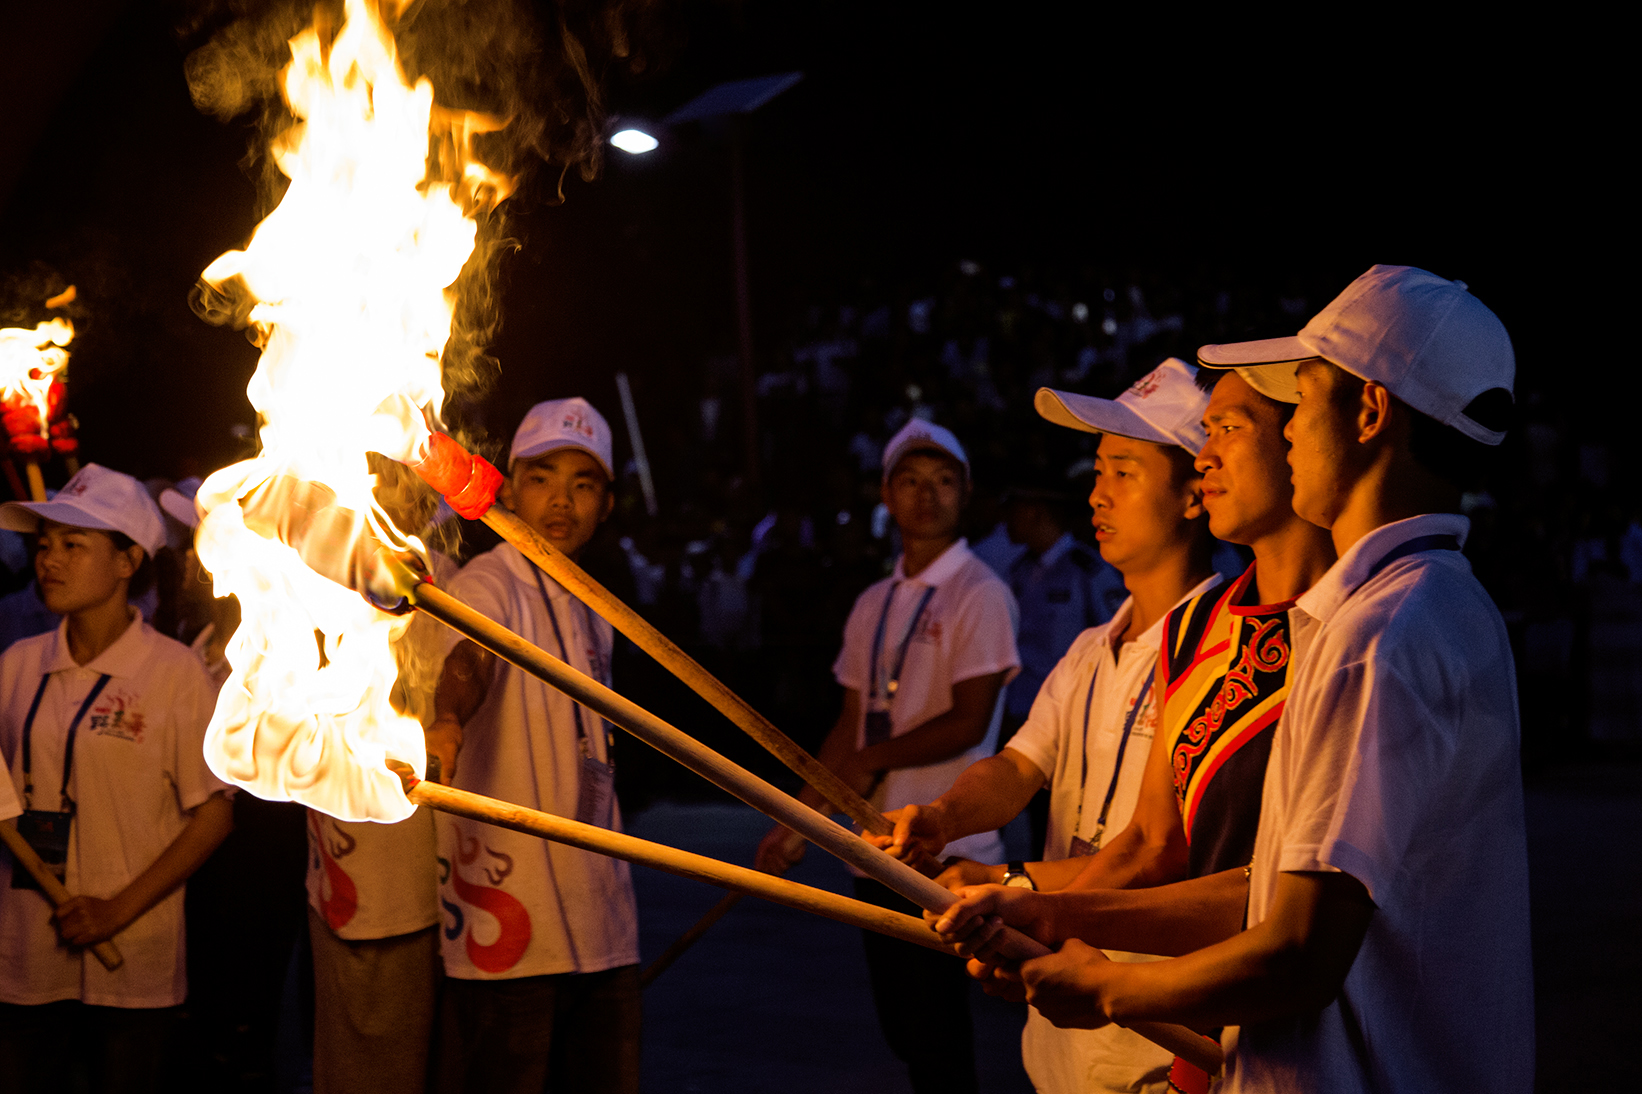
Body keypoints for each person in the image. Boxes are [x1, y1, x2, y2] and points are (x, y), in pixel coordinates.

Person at [933, 265, 1534, 1094]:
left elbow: (1298, 949)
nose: (1287, 433)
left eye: (1304, 396)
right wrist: (1046, 908)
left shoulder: (1381, 632)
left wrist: (1110, 985)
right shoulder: (1413, 607)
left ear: (1368, 412)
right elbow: (1267, 893)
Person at [874, 359, 1223, 1094]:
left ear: (1197, 493)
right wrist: (942, 817)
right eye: (1097, 472)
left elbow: (1164, 853)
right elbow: (1016, 767)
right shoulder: (1091, 649)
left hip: (1158, 1029)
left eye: (1124, 472)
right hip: (1062, 1022)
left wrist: (1012, 885)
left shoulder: (1226, 649)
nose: (1096, 494)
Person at [1052, 363, 1335, 1093]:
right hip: (1210, 1034)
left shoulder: (1356, 629)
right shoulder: (1195, 634)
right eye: (1205, 432)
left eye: (1230, 430)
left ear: (1301, 441)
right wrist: (1031, 914)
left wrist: (1038, 907)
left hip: (1314, 1036)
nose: (1206, 455)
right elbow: (1152, 843)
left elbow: (1280, 902)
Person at [756, 419, 1019, 1094]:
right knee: (905, 1029)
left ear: (967, 494)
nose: (926, 496)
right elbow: (851, 724)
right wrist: (796, 823)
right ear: (885, 493)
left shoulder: (980, 592)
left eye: (943, 481)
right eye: (909, 481)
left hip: (946, 855)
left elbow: (970, 719)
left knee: (937, 1036)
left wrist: (876, 755)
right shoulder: (874, 600)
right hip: (877, 850)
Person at [425, 398, 640, 1094]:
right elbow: (469, 658)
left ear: (606, 504)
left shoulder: (594, 605)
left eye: (584, 484)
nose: (562, 501)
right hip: (509, 922)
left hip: (601, 914)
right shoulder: (488, 581)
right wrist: (450, 717)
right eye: (543, 477)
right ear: (509, 487)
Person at [0, 463, 234, 1093]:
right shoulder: (17, 666)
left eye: (74, 545)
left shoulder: (175, 674)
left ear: (128, 561)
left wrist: (116, 910)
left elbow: (212, 815)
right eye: (44, 544)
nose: (50, 560)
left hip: (134, 952)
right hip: (25, 947)